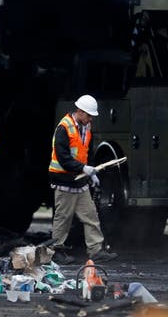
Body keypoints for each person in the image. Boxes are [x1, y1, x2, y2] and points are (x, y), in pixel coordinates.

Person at [49, 94, 117, 264]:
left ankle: (96, 250)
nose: (90, 119)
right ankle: (56, 251)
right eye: (89, 115)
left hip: (80, 182)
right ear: (79, 111)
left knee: (90, 216)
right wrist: (83, 169)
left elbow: (87, 154)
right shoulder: (64, 128)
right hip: (64, 181)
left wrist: (91, 173)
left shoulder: (86, 128)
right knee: (63, 218)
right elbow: (63, 158)